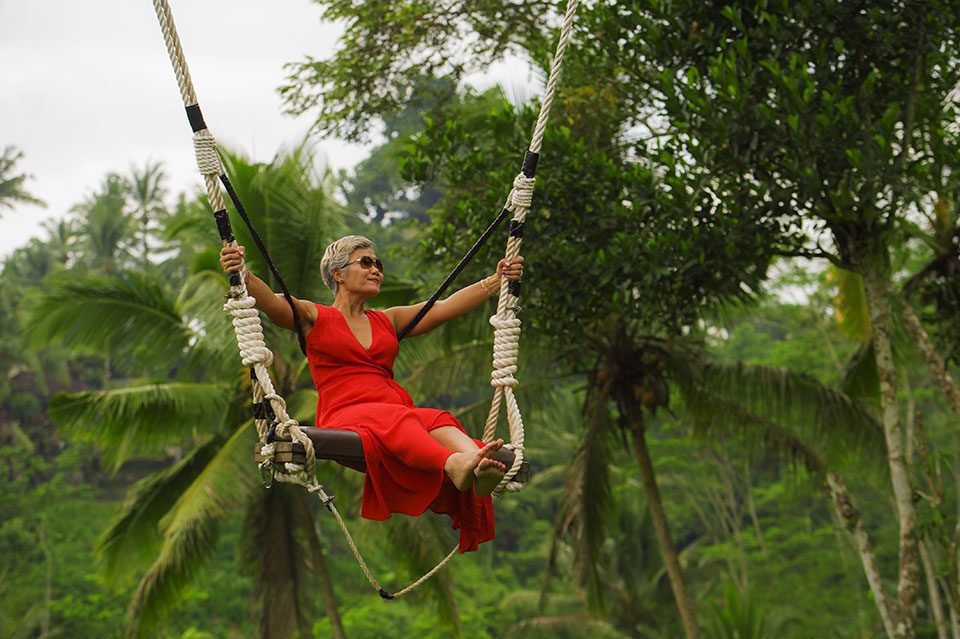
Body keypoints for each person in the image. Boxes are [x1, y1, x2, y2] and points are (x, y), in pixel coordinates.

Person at [220, 235, 524, 552]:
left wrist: (495, 280)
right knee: (403, 420)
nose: (376, 269)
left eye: (378, 264)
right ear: (337, 274)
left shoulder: (387, 320)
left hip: (394, 407)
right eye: (366, 262)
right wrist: (243, 275)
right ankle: (455, 465)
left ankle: (474, 463)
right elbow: (272, 302)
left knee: (437, 418)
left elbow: (444, 308)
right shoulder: (314, 316)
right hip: (346, 413)